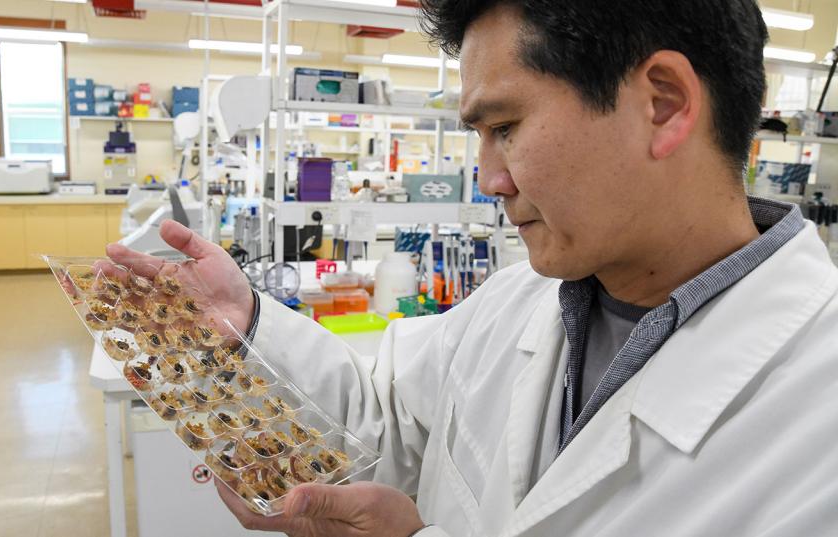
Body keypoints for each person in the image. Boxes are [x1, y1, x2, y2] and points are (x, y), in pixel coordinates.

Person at [106, 1, 838, 535]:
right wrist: (253, 323)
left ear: (663, 103)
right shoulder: (524, 299)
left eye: (507, 128)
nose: (489, 178)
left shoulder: (816, 421)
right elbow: (382, 419)